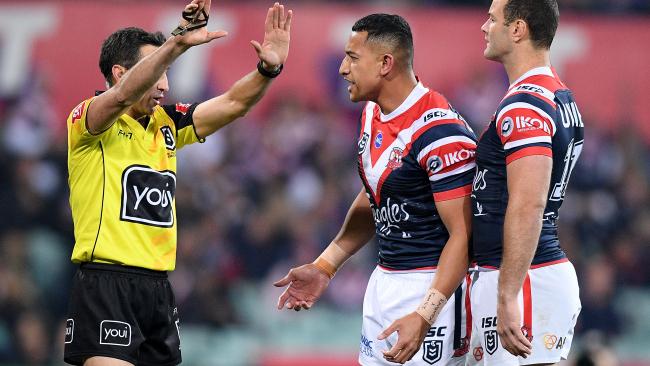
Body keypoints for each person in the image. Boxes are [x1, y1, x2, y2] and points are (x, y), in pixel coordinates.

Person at [63, 1, 292, 365]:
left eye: (168, 72)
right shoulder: (88, 121)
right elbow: (120, 97)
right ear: (121, 73)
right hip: (107, 282)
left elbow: (234, 103)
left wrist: (268, 69)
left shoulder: (167, 123)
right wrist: (177, 43)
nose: (166, 85)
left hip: (158, 288)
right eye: (158, 73)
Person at [274, 14, 476, 366]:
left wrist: (425, 314)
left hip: (430, 289)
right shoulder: (371, 115)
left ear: (386, 63)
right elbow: (377, 196)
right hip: (384, 282)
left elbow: (464, 234)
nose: (342, 69)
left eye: (353, 58)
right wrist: (325, 266)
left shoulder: (440, 131)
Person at [470, 0, 584, 365]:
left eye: (492, 19)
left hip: (524, 279)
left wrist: (508, 294)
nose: (484, 28)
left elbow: (528, 204)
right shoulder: (558, 96)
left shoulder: (525, 105)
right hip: (528, 275)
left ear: (518, 29)